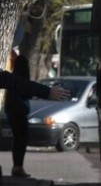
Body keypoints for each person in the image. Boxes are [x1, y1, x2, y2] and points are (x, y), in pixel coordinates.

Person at [3, 48, 71, 178]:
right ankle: (18, 167)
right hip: (20, 113)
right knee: (21, 139)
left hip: (12, 112)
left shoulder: (12, 79)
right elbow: (26, 88)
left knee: (19, 139)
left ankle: (17, 166)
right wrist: (47, 92)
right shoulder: (18, 80)